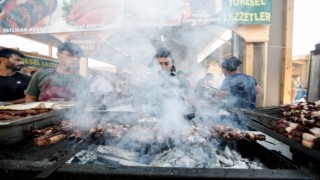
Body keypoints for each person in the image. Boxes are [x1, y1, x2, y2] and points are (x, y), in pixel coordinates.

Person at [25, 42, 90, 103]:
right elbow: (30, 98)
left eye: (78, 57)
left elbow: (85, 103)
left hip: (71, 115)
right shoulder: (40, 75)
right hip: (45, 114)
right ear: (58, 55)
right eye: (71, 55)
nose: (76, 59)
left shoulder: (83, 81)